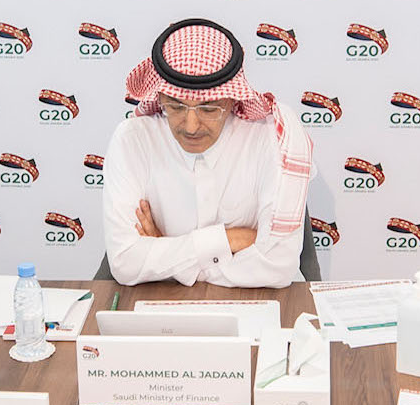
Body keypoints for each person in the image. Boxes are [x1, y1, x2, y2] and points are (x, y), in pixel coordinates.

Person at [101, 18, 315, 287]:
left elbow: (278, 267)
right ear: (160, 98)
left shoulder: (270, 137)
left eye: (209, 109)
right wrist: (229, 240)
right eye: (176, 107)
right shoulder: (132, 140)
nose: (191, 126)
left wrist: (166, 254)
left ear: (232, 99)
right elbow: (125, 263)